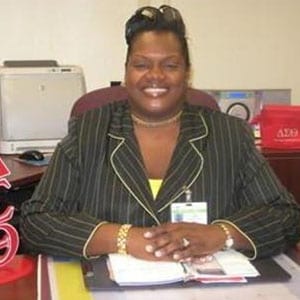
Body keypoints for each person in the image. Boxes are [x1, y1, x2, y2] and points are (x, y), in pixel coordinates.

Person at [20, 5, 300, 262]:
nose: (155, 75)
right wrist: (124, 238)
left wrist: (220, 234)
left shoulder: (229, 134)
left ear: (187, 74)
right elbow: (38, 220)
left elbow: (286, 215)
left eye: (170, 65)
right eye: (141, 65)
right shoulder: (88, 131)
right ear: (127, 72)